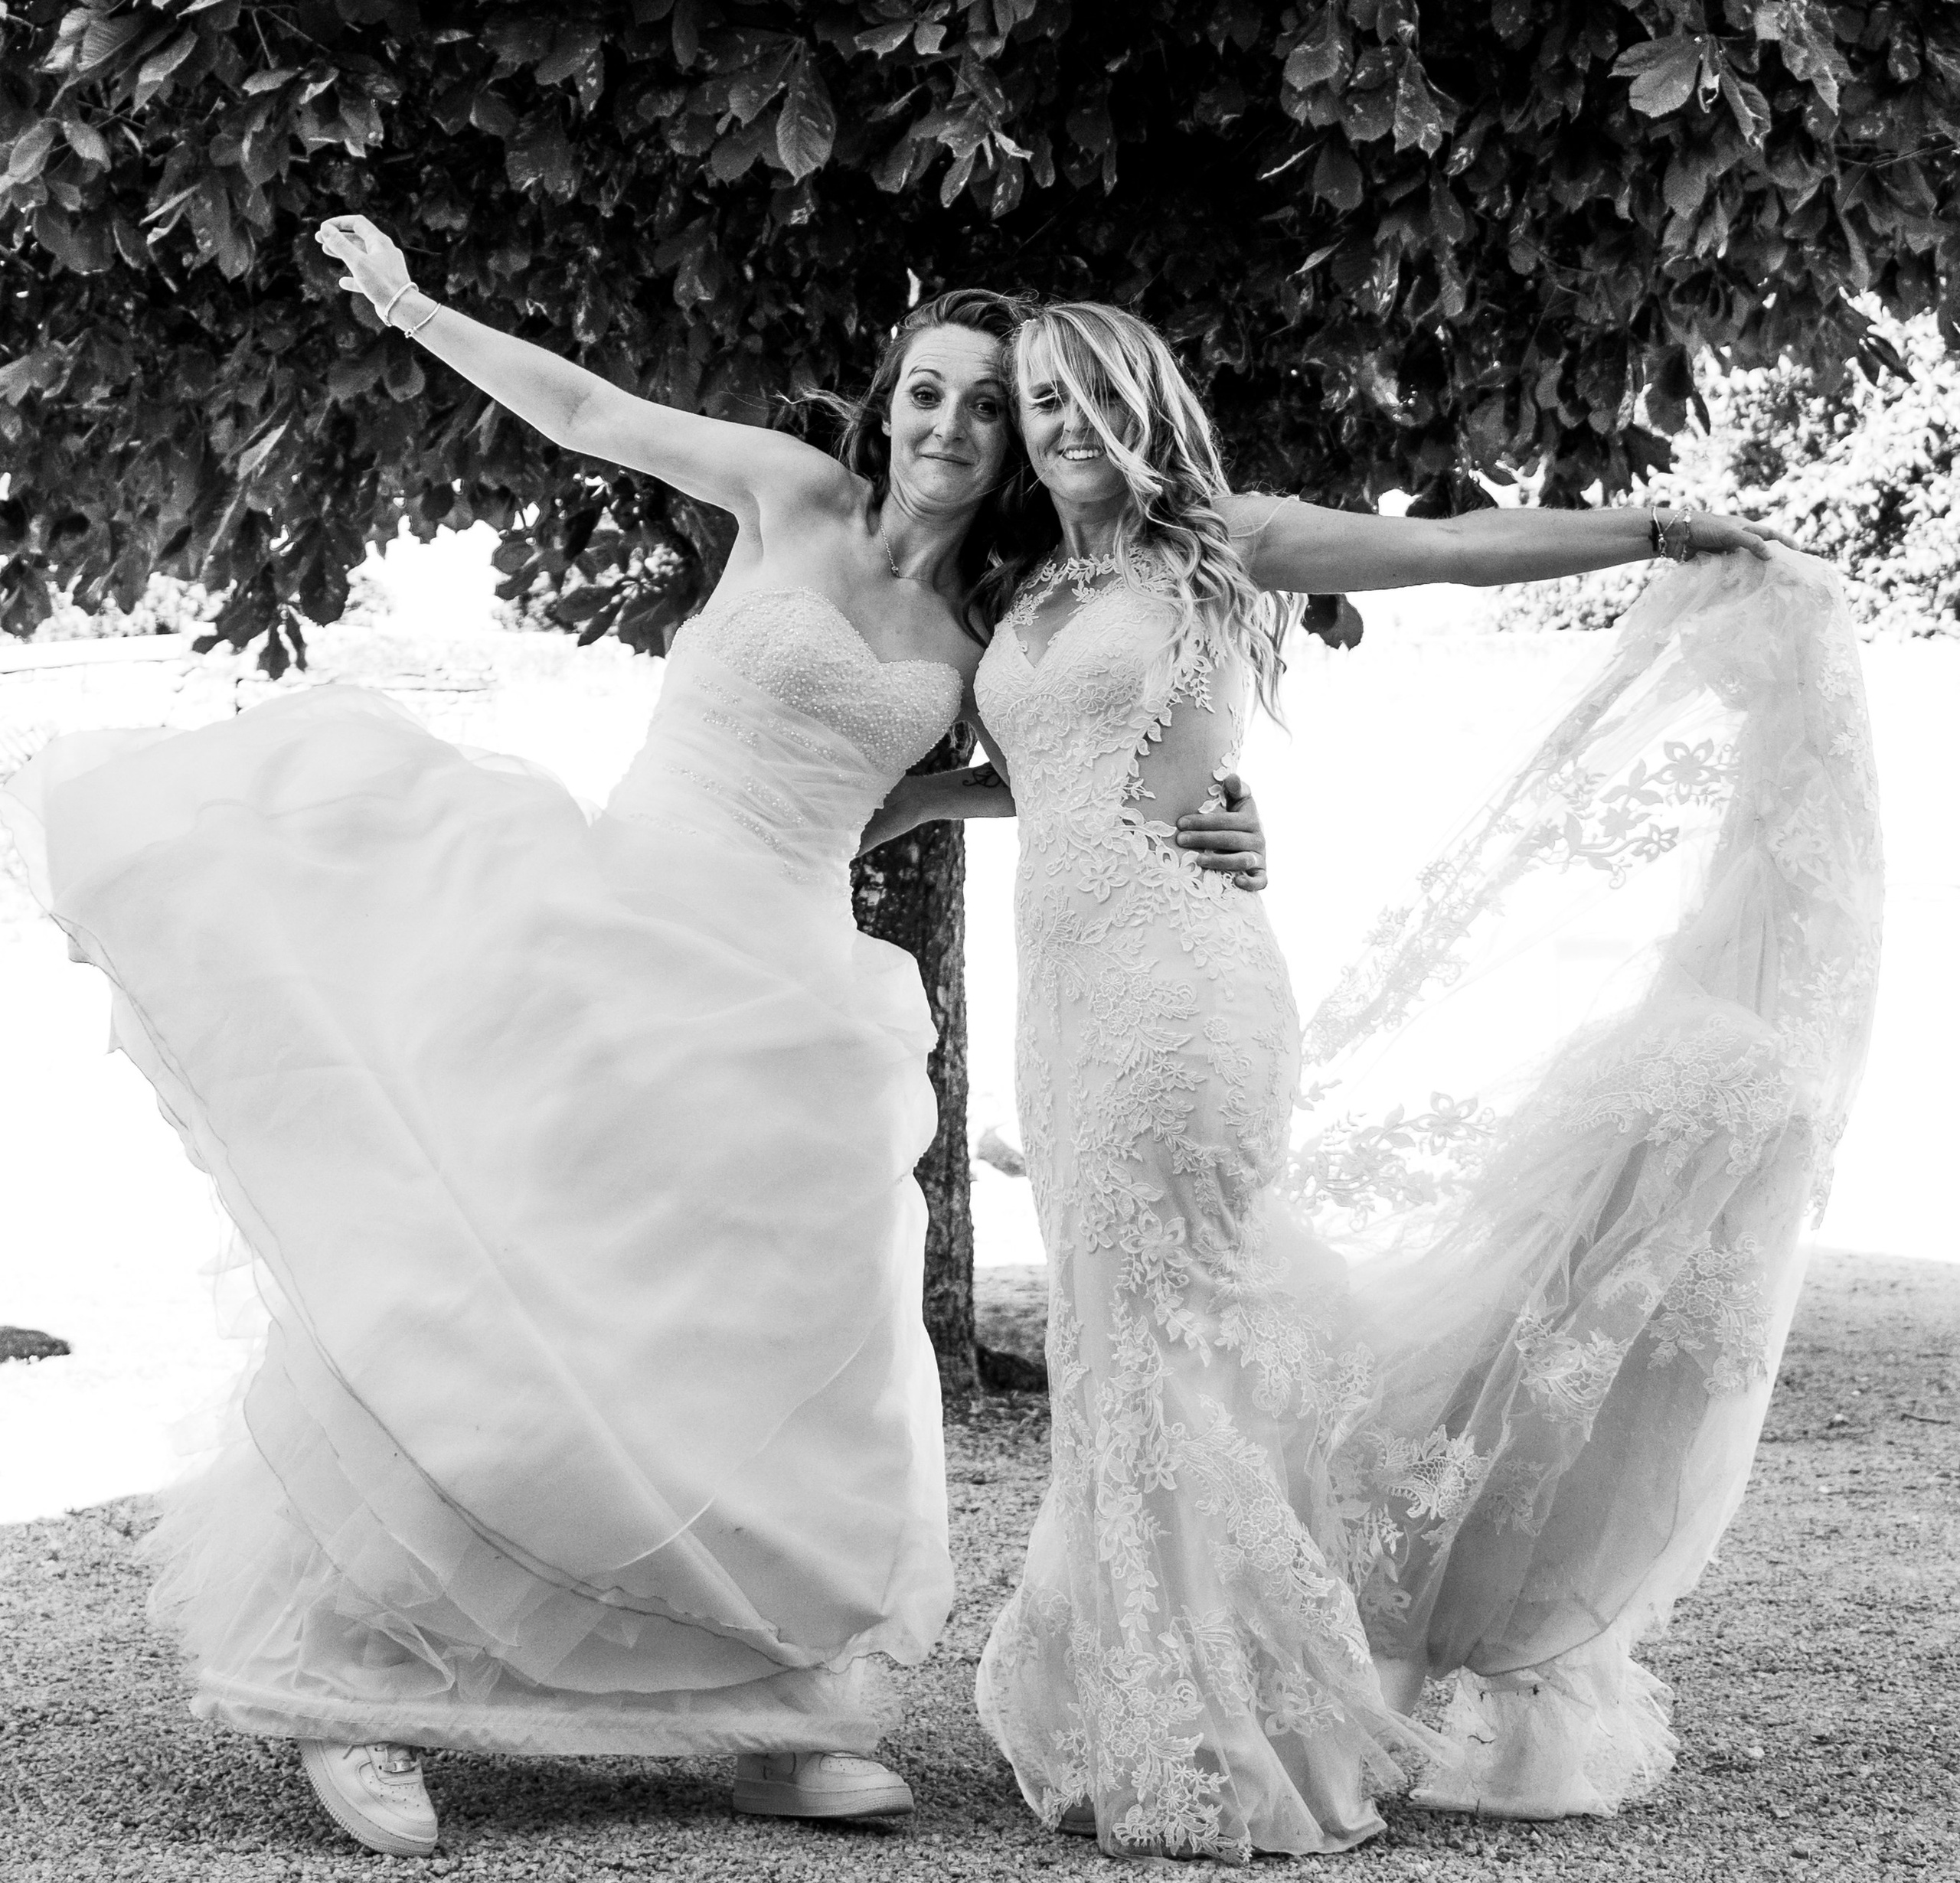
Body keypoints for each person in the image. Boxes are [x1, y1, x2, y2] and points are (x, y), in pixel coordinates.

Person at [3, 232, 1269, 1864]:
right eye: (929, 395)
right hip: (620, 922)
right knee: (510, 1299)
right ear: (885, 412)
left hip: (795, 983)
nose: (953, 426)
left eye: (986, 408)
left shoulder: (992, 618)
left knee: (776, 1339)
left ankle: (773, 1705)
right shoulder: (785, 497)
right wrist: (410, 306)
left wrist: (1218, 824)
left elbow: (1089, 750)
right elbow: (585, 407)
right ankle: (358, 1681)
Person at [875, 301, 1880, 1859]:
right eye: (1037, 401)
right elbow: (1038, 781)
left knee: (1172, 1343)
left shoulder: (1218, 542)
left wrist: (1650, 524)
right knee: (1116, 1346)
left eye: (1086, 397)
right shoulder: (1024, 581)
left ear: (1143, 401)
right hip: (1064, 1013)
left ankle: (1238, 1727)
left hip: (1186, 997)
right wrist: (855, 804)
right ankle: (1151, 1694)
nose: (1061, 424)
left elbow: (1452, 549)